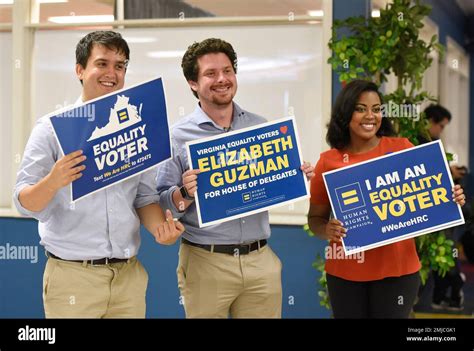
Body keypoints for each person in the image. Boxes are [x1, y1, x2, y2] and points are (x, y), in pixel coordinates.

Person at [13, 31, 184, 318]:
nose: (112, 73)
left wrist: (160, 231)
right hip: (73, 278)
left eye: (120, 66)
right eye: (102, 64)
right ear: (80, 70)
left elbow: (144, 197)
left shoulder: (137, 128)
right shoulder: (52, 130)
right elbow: (23, 201)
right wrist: (53, 180)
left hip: (128, 278)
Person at [156, 38, 314, 318]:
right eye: (210, 73)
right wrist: (185, 192)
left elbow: (272, 180)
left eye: (227, 71)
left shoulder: (260, 127)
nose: (222, 79)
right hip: (206, 261)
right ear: (193, 83)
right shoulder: (176, 136)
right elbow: (165, 206)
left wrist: (296, 175)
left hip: (260, 261)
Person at [307, 80, 466, 318]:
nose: (370, 116)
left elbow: (431, 196)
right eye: (360, 109)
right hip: (345, 274)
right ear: (345, 113)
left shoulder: (402, 148)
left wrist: (451, 197)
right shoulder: (329, 161)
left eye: (376, 109)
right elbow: (315, 219)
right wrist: (326, 229)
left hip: (398, 273)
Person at [420, 104, 467, 311]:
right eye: (440, 125)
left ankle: (441, 295)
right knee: (443, 250)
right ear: (429, 121)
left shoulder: (432, 141)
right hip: (431, 210)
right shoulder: (419, 142)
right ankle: (452, 287)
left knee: (443, 250)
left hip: (438, 208)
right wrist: (449, 174)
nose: (441, 130)